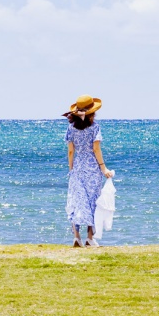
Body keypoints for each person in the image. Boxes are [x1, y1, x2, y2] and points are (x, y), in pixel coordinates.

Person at [63, 94, 112, 247]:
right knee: (93, 201)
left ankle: (76, 237)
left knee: (76, 200)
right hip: (92, 168)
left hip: (78, 167)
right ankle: (90, 238)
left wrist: (71, 168)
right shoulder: (95, 127)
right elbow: (96, 148)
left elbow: (71, 151)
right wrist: (103, 167)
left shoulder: (71, 128)